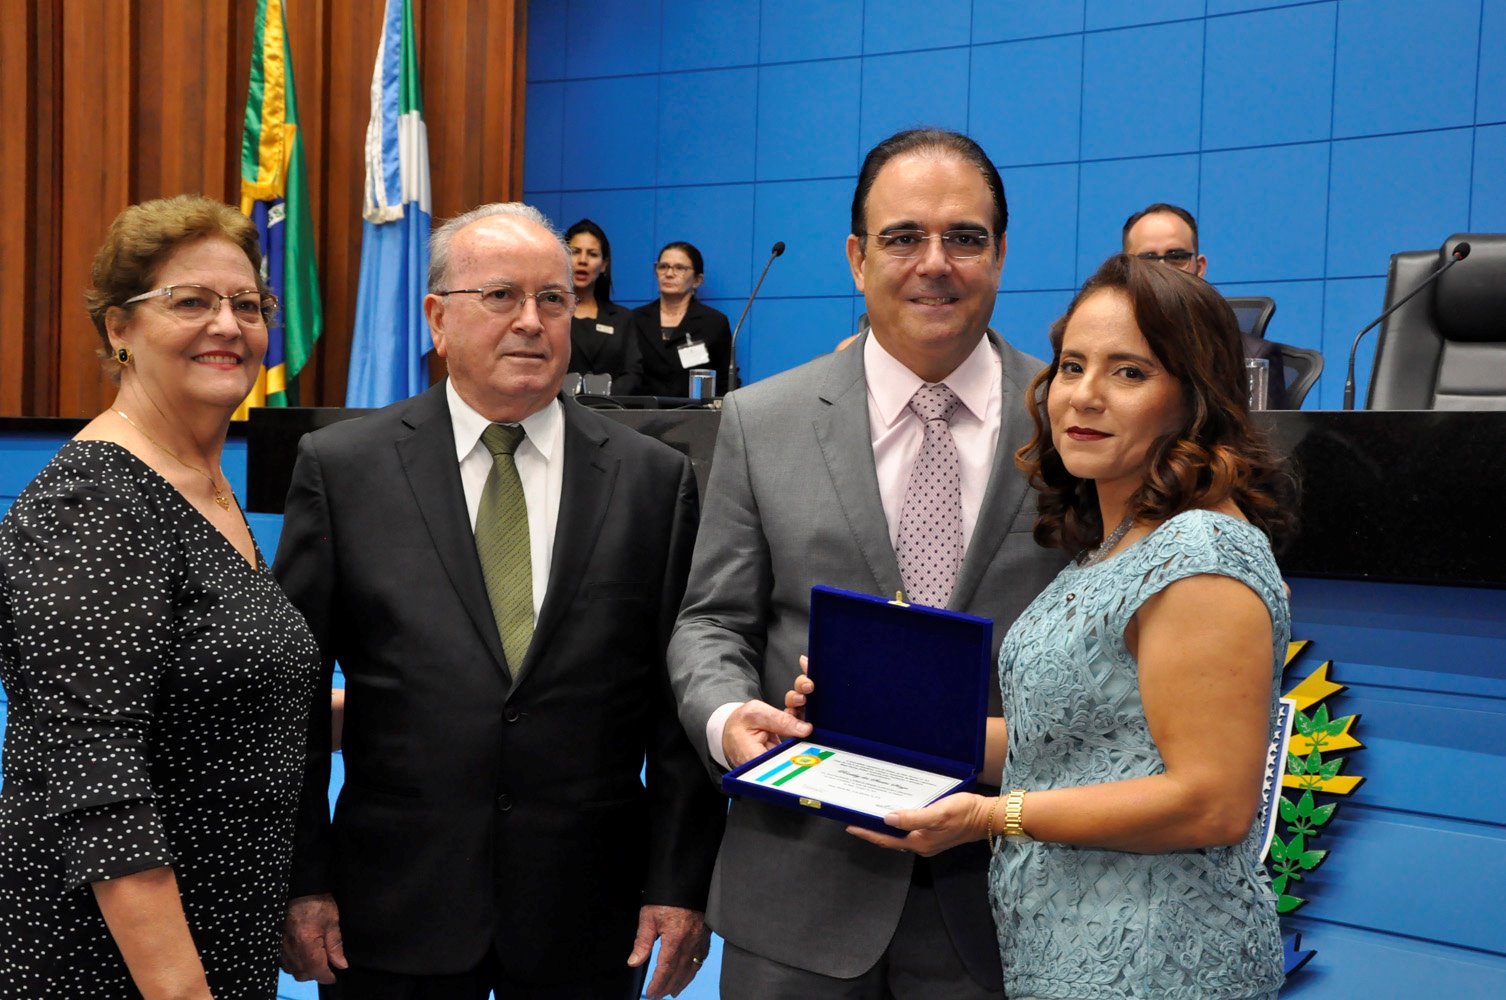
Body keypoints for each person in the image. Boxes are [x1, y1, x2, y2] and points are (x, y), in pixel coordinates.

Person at [275, 202, 726, 999]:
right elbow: (293, 700)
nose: (531, 321)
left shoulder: (653, 481)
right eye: (500, 296)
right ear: (437, 318)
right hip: (390, 907)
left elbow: (677, 705)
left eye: (552, 299)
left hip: (588, 914)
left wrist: (678, 882)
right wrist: (300, 878)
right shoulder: (343, 469)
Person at [667, 128, 1066, 998]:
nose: (936, 263)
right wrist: (728, 718)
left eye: (965, 238)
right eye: (904, 237)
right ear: (857, 258)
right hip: (797, 889)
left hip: (1004, 896)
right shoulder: (760, 421)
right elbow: (712, 622)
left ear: (1001, 254)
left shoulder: (1071, 423)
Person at [832, 253, 1294, 999]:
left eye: (1129, 372)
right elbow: (1059, 749)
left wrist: (992, 817)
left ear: (1193, 396)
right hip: (1066, 954)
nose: (1084, 395)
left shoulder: (1202, 550)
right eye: (1073, 366)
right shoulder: (1114, 544)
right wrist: (862, 716)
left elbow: (1211, 803)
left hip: (1157, 963)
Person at [0, 195, 320, 997]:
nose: (228, 325)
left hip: (218, 931)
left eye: (247, 304)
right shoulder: (92, 504)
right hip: (118, 962)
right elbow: (96, 775)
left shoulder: (201, 484)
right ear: (120, 328)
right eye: (190, 302)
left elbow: (215, 698)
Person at [1121, 202, 1289, 408]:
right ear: (1125, 270)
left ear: (1199, 268)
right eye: (1147, 259)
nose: (1163, 270)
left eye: (1177, 257)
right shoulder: (1098, 349)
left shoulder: (1254, 358)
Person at [631, 241, 732, 396]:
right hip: (641, 409)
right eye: (663, 266)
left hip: (693, 409)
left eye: (679, 268)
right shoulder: (634, 319)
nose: (669, 274)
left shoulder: (714, 322)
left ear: (697, 280)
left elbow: (726, 380)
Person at [565, 218, 642, 394]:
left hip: (611, 406)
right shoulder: (545, 313)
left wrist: (601, 401)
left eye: (592, 254)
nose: (583, 260)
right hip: (558, 406)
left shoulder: (622, 318)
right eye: (575, 252)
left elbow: (633, 374)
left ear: (604, 265)